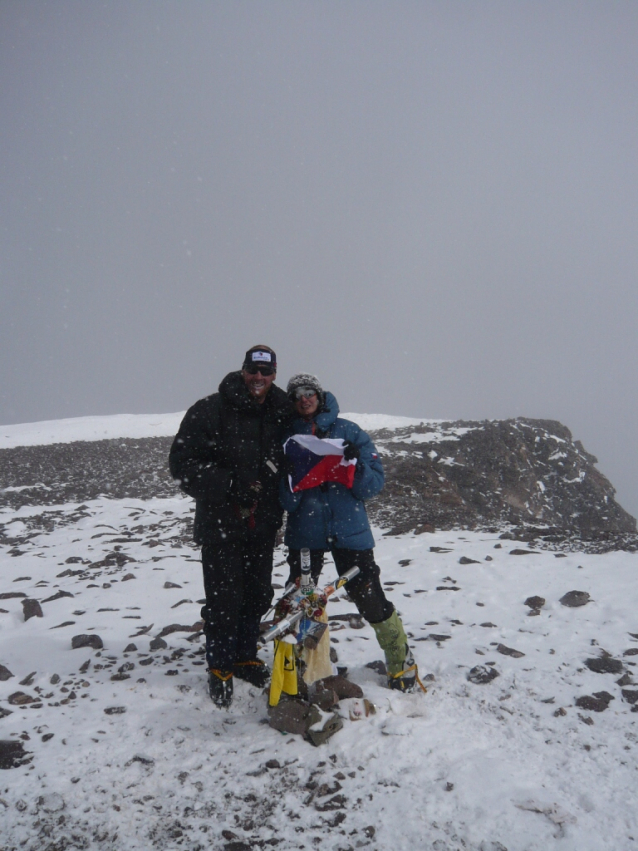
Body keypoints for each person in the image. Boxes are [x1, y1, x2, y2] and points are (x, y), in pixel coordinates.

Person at [169, 345, 294, 708]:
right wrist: (227, 483)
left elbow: (309, 432)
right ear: (243, 371)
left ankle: (244, 656)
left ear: (273, 375)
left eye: (265, 373)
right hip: (220, 522)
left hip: (263, 523)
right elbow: (182, 463)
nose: (258, 378)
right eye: (253, 371)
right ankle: (220, 666)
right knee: (225, 597)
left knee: (257, 594)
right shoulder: (210, 410)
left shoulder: (282, 412)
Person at [279, 373, 419, 692]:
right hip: (305, 534)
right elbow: (285, 501)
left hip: (350, 532)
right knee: (304, 602)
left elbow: (374, 486)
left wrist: (355, 467)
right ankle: (310, 666)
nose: (304, 398)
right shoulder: (286, 438)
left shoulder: (350, 432)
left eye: (309, 391)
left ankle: (401, 661)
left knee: (368, 596)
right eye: (296, 393)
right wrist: (291, 476)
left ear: (320, 394)